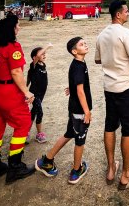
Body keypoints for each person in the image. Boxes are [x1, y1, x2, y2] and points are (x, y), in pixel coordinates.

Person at [95, 0, 129, 190]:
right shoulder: (125, 33)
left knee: (110, 126)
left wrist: (112, 60)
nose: (128, 14)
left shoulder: (102, 34)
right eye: (126, 11)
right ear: (118, 14)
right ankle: (127, 174)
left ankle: (110, 168)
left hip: (109, 88)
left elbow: (98, 60)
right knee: (128, 129)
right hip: (127, 88)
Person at [35, 37, 92, 184]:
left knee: (69, 133)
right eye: (81, 44)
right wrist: (87, 111)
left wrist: (70, 88)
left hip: (74, 108)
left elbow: (76, 83)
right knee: (80, 141)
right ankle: (76, 170)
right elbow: (80, 91)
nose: (85, 45)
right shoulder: (78, 65)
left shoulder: (78, 63)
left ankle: (46, 161)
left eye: (85, 43)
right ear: (74, 51)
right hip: (79, 110)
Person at [0, 15, 35, 184]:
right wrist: (26, 92)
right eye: (17, 25)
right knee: (23, 123)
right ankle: (15, 167)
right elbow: (16, 72)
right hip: (9, 92)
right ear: (11, 29)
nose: (19, 28)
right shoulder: (13, 47)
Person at [26, 43, 53, 144]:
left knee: (33, 112)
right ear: (34, 58)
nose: (44, 55)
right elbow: (37, 56)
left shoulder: (43, 64)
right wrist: (47, 46)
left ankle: (26, 132)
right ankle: (39, 134)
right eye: (42, 53)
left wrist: (25, 86)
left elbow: (29, 76)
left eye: (45, 53)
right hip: (34, 94)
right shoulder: (34, 65)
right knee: (40, 112)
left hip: (42, 93)